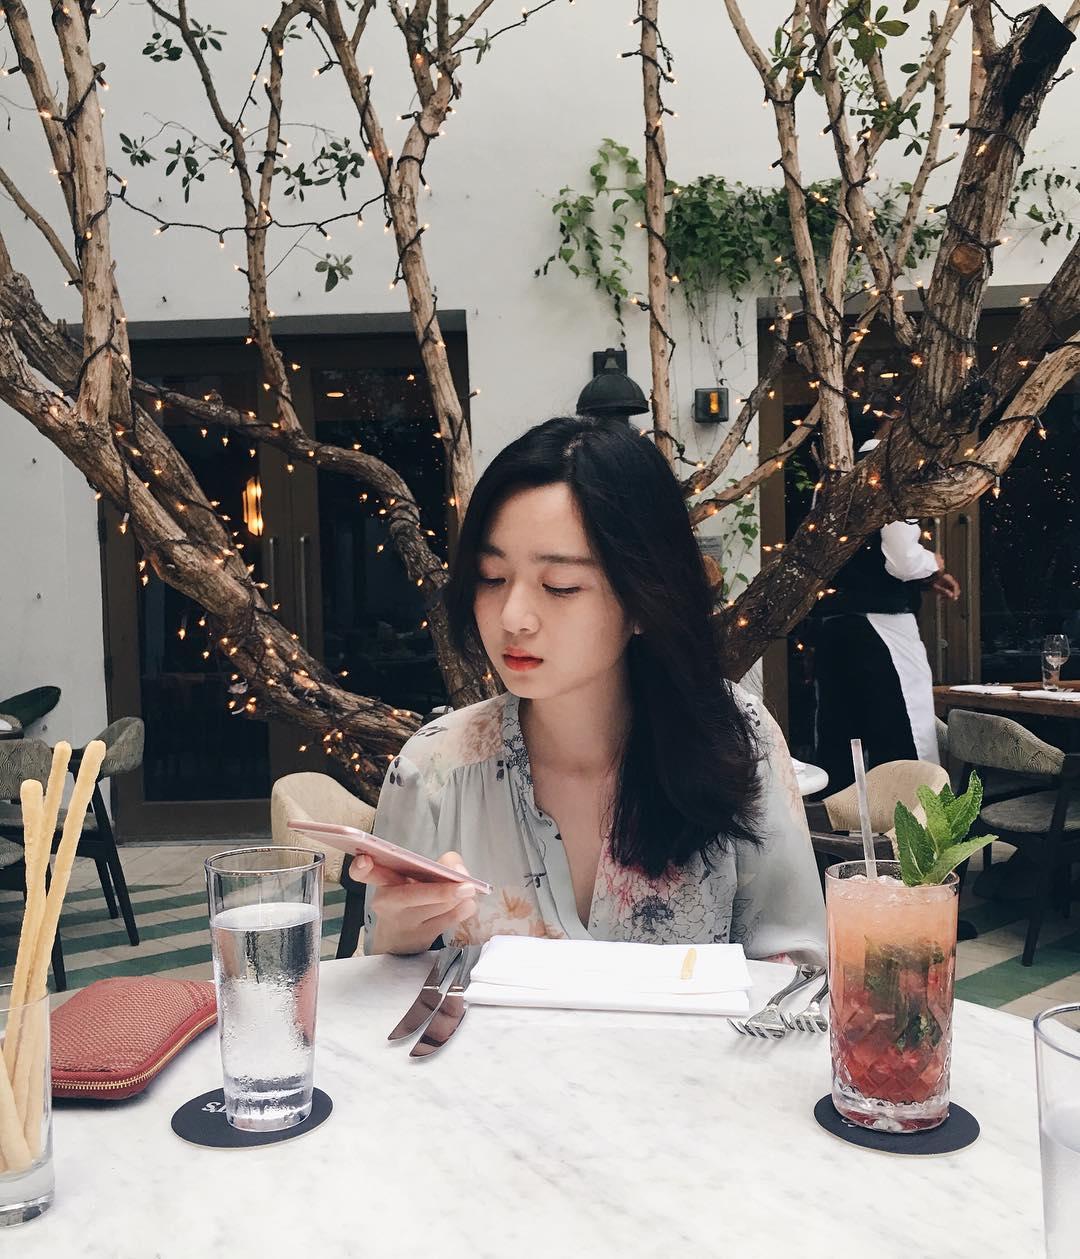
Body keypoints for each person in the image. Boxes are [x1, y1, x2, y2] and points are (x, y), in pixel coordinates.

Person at [349, 416, 825, 962]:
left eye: (560, 586)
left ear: (645, 599)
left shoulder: (737, 737)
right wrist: (399, 939)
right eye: (491, 576)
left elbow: (799, 972)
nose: (513, 616)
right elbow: (379, 988)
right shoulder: (435, 767)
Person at [814, 426, 961, 792]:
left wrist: (924, 579)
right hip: (883, 628)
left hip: (834, 623)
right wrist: (932, 563)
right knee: (904, 728)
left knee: (841, 733)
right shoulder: (893, 472)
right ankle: (917, 820)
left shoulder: (835, 477)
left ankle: (846, 821)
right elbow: (901, 560)